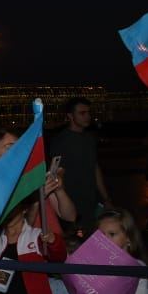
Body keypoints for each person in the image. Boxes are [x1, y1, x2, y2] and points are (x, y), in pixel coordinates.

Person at [48, 97, 112, 233]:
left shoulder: (90, 138)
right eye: (82, 113)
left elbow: (95, 168)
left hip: (92, 202)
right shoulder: (61, 141)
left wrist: (105, 198)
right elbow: (57, 173)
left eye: (88, 112)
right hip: (73, 205)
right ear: (70, 116)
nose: (87, 116)